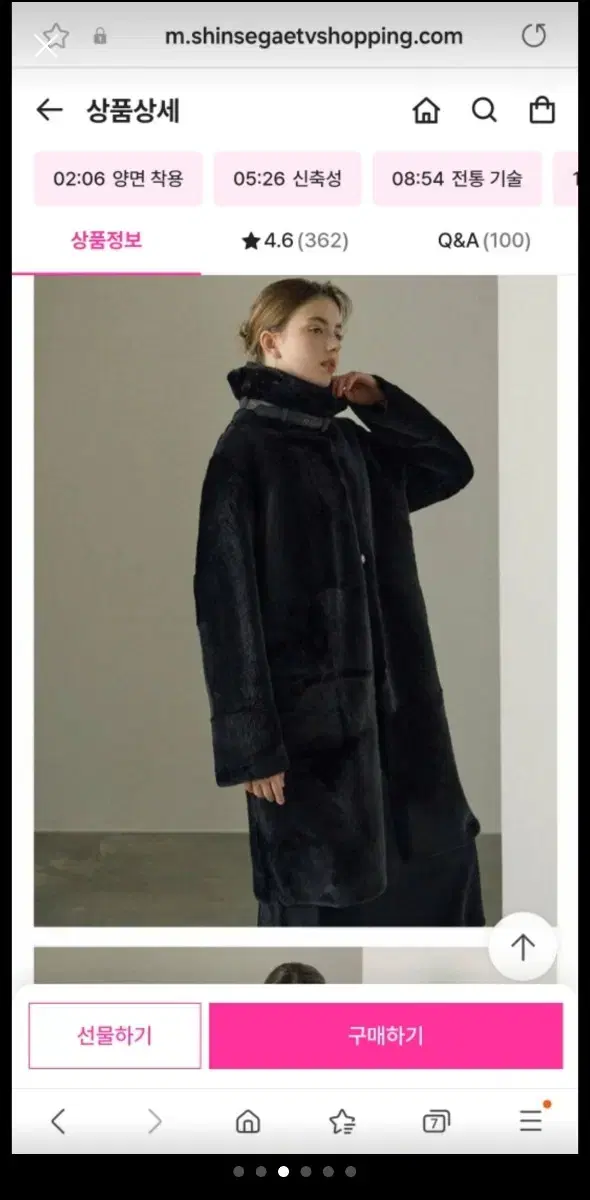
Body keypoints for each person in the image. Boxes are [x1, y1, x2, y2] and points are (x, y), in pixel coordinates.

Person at [194, 278, 485, 928]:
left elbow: (448, 469)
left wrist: (383, 403)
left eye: (338, 333)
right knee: (322, 887)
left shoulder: (351, 445)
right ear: (271, 341)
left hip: (398, 706)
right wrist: (251, 744)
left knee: (434, 861)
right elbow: (225, 605)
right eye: (316, 329)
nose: (332, 345)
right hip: (311, 728)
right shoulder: (245, 452)